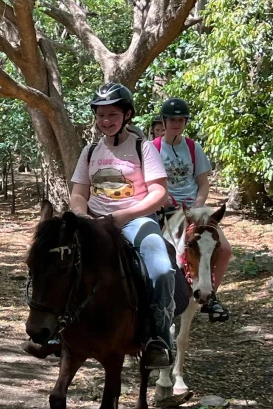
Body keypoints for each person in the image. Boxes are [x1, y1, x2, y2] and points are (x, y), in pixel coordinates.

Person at [69, 83, 174, 368]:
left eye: (112, 114)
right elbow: (79, 193)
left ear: (127, 115)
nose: (106, 121)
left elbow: (159, 193)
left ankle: (158, 338)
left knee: (162, 269)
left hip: (136, 221)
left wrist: (122, 217)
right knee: (57, 260)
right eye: (101, 115)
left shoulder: (143, 148)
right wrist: (82, 215)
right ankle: (55, 331)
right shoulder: (89, 152)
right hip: (94, 223)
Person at [153, 97, 231, 321]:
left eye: (180, 119)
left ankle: (211, 295)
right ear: (164, 121)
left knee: (224, 249)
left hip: (195, 208)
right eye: (172, 119)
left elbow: (203, 182)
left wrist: (198, 204)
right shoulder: (153, 148)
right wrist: (163, 196)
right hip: (165, 208)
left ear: (185, 122)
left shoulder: (193, 147)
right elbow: (150, 180)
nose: (176, 123)